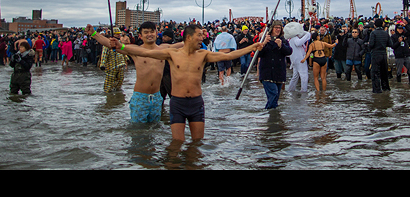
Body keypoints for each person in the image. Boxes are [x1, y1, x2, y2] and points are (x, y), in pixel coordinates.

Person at [111, 23, 262, 141]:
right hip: (177, 103)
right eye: (199, 35)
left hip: (196, 103)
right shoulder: (172, 53)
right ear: (189, 37)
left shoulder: (203, 54)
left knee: (197, 143)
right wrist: (121, 46)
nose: (203, 37)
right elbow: (144, 52)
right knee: (177, 143)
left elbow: (230, 56)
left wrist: (253, 47)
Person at [95, 21, 182, 124]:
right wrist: (93, 33)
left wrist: (200, 35)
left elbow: (184, 45)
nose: (149, 34)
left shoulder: (165, 49)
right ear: (140, 36)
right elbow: (110, 44)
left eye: (152, 32)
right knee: (138, 130)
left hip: (156, 97)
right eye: (146, 32)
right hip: (141, 97)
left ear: (156, 33)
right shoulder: (135, 50)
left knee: (154, 128)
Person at [256, 21, 293, 108]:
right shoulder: (264, 39)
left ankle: (272, 116)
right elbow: (257, 54)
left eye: (279, 28)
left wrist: (281, 46)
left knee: (275, 98)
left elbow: (289, 51)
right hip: (267, 73)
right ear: (271, 28)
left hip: (279, 73)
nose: (277, 29)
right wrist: (264, 43)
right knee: (273, 94)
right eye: (276, 27)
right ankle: (271, 116)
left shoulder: (283, 40)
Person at [302, 27, 337, 92]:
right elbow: (332, 46)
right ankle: (324, 92)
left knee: (316, 78)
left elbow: (309, 53)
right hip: (323, 58)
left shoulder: (312, 44)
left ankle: (318, 92)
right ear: (317, 37)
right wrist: (336, 43)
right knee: (323, 78)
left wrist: (304, 59)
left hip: (316, 59)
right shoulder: (322, 43)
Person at [285, 22, 312, 93]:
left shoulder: (290, 39)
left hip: (295, 59)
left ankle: (290, 90)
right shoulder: (294, 38)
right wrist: (307, 35)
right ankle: (304, 91)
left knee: (295, 76)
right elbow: (299, 43)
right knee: (304, 76)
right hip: (300, 59)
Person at [368, 18, 391, 94]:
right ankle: (386, 88)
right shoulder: (385, 33)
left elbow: (371, 45)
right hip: (384, 54)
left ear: (375, 25)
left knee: (375, 73)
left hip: (376, 54)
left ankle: (377, 90)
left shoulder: (373, 33)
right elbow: (390, 44)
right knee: (384, 72)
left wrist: (368, 45)